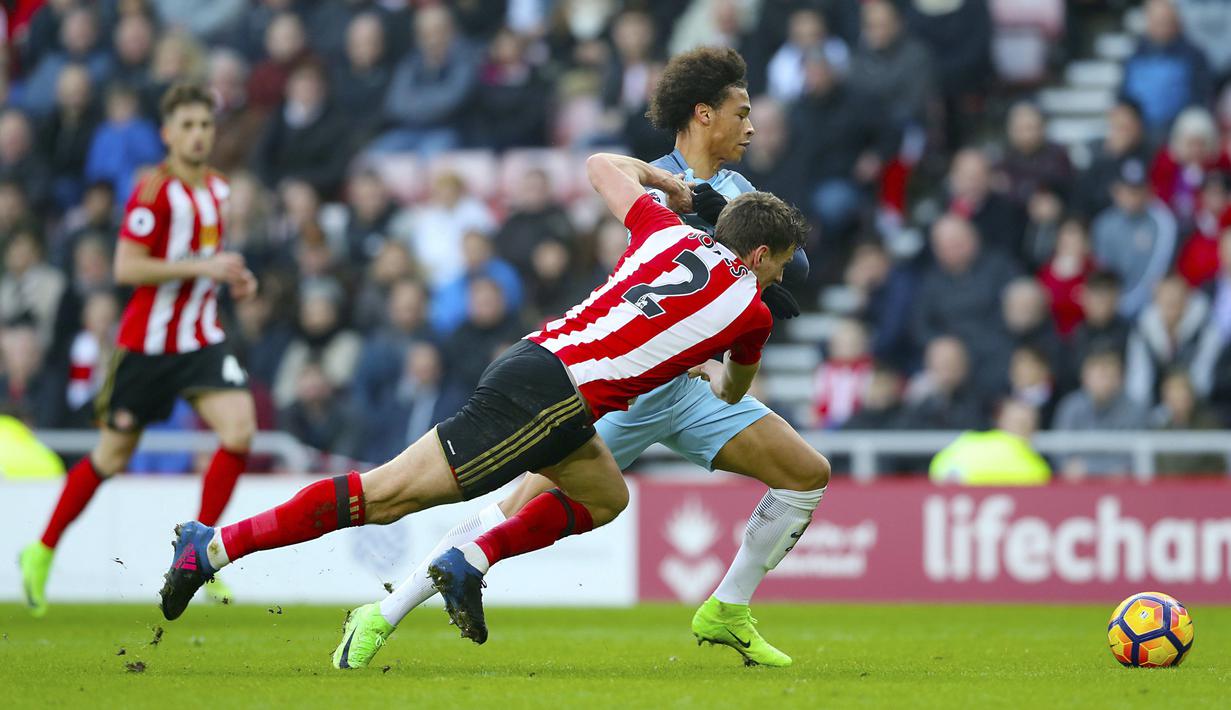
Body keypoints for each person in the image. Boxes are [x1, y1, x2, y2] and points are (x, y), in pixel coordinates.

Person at [156, 153, 807, 662]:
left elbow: (599, 167)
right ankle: (211, 548)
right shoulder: (750, 313)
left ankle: (468, 559)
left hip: (541, 367)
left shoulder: (664, 231)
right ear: (756, 255)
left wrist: (677, 191)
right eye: (778, 264)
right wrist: (709, 355)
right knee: (384, 495)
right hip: (548, 399)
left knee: (605, 496)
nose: (779, 276)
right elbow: (729, 394)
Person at [332, 47, 827, 671]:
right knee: (510, 509)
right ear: (704, 115)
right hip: (624, 387)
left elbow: (797, 264)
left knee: (805, 473)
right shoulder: (651, 177)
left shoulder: (738, 191)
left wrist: (716, 214)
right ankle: (381, 614)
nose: (752, 126)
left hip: (692, 388)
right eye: (742, 112)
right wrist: (711, 219)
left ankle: (727, 608)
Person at [18, 83, 260, 618]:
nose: (198, 135)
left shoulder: (218, 190)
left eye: (205, 125)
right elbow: (127, 267)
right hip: (146, 348)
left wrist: (234, 278)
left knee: (239, 431)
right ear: (168, 134)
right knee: (110, 457)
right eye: (188, 126)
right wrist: (203, 268)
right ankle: (41, 549)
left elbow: (207, 258)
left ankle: (199, 553)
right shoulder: (152, 192)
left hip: (200, 339)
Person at [929, 399, 1050, 486]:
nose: (1023, 428)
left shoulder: (1035, 464)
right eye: (1019, 423)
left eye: (1026, 424)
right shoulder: (969, 441)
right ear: (1001, 421)